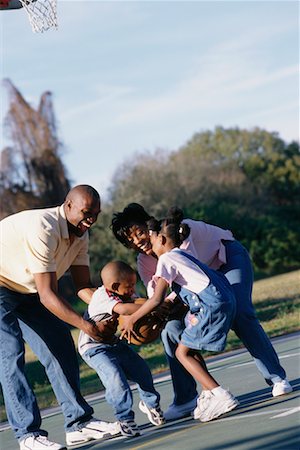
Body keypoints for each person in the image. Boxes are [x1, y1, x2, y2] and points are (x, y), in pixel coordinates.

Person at [111, 203, 292, 421]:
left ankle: (276, 377)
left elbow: (190, 273)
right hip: (201, 288)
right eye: (129, 241)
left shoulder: (177, 232)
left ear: (149, 226)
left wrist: (150, 310)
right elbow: (156, 295)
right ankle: (187, 397)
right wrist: (160, 309)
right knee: (172, 329)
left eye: (138, 233)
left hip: (226, 260)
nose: (137, 241)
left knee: (241, 313)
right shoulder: (144, 260)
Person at [0, 185, 121, 450]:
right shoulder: (44, 228)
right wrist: (87, 326)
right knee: (10, 354)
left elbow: (82, 288)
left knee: (60, 344)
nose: (91, 220)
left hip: (27, 287)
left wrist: (119, 311)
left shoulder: (81, 234)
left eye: (96, 214)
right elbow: (47, 296)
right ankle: (28, 435)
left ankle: (78, 423)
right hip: (3, 284)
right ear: (68, 206)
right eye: (87, 213)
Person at [120, 209, 239, 422]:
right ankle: (208, 394)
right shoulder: (182, 254)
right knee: (186, 346)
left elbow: (156, 299)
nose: (148, 240)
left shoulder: (166, 260)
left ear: (162, 239)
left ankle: (219, 394)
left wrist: (132, 318)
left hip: (208, 306)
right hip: (218, 300)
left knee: (182, 353)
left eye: (152, 236)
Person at [78, 260, 165, 437]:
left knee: (142, 370)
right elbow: (125, 309)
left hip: (113, 342)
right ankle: (124, 418)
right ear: (115, 286)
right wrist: (153, 307)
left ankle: (151, 404)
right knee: (115, 379)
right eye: (130, 285)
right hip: (94, 348)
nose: (133, 289)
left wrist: (157, 310)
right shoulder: (102, 297)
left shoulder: (124, 291)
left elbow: (138, 303)